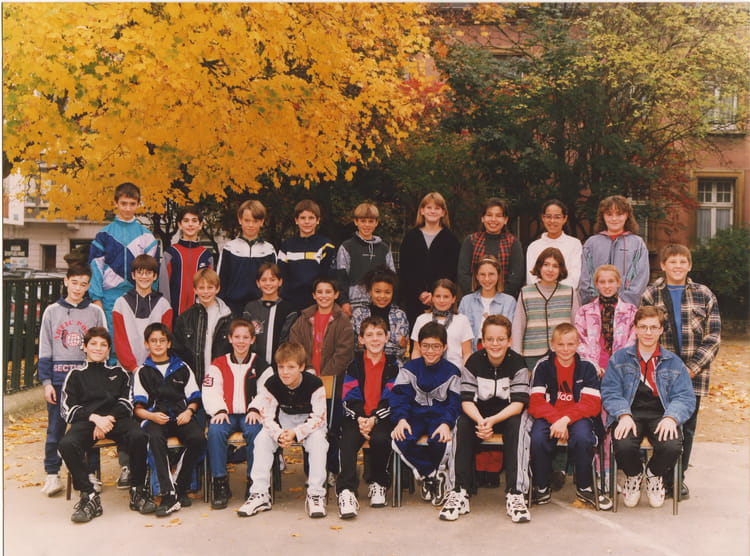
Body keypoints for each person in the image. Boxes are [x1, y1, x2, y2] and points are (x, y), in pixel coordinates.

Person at [640, 244, 720, 499]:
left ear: (689, 265)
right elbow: (644, 334)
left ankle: (677, 479)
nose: (677, 266)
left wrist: (691, 368)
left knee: (687, 428)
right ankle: (658, 476)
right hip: (660, 375)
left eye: (682, 261)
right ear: (663, 265)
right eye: (672, 261)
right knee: (662, 426)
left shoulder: (704, 294)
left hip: (694, 375)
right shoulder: (651, 294)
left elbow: (713, 337)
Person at [601, 306, 696, 509]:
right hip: (630, 411)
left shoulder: (674, 362)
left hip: (661, 413)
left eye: (653, 327)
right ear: (635, 329)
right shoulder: (619, 358)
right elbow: (610, 391)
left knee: (672, 446)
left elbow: (685, 397)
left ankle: (654, 474)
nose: (648, 332)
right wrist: (622, 414)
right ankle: (634, 474)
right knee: (623, 444)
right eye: (643, 327)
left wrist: (671, 417)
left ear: (661, 330)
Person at [439, 315, 531, 523]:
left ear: (509, 341)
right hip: (478, 414)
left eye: (500, 339)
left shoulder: (517, 362)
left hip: (507, 414)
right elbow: (466, 401)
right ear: (483, 341)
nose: (495, 344)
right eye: (490, 339)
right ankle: (459, 491)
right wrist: (482, 421)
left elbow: (518, 405)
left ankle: (516, 493)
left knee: (518, 425)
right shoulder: (474, 362)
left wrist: (492, 421)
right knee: (462, 423)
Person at [58, 328, 156, 522]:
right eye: (93, 344)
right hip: (87, 421)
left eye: (103, 345)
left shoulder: (119, 372)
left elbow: (127, 402)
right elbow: (67, 409)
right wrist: (95, 418)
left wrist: (108, 419)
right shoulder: (75, 375)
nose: (98, 348)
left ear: (108, 350)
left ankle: (138, 491)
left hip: (116, 419)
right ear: (84, 347)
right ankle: (89, 496)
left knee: (139, 436)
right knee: (66, 444)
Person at [38, 262, 107, 497]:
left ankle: (90, 473)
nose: (78, 288)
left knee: (88, 427)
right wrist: (47, 382)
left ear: (88, 286)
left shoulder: (95, 312)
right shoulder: (52, 311)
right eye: (74, 282)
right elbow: (45, 347)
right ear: (66, 281)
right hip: (59, 380)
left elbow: (103, 347)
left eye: (83, 284)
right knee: (55, 428)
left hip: (87, 382)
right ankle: (52, 474)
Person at [238, 342, 329, 518]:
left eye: (291, 367)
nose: (285, 372)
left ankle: (316, 494)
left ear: (301, 367)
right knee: (262, 438)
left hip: (310, 423)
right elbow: (266, 415)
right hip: (284, 422)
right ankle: (260, 493)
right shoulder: (272, 383)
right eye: (281, 367)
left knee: (319, 441)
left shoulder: (314, 383)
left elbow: (319, 417)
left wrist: (297, 433)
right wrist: (279, 434)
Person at [528, 323, 612, 510]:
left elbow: (592, 404)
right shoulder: (542, 366)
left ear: (577, 344)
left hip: (578, 416)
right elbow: (535, 402)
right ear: (552, 345)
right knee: (537, 438)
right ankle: (541, 486)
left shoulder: (587, 367)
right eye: (561, 344)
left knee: (583, 438)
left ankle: (585, 487)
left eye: (570, 344)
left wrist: (565, 420)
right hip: (549, 416)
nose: (565, 349)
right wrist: (557, 420)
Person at [132, 323, 205, 516]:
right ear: (147, 344)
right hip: (155, 417)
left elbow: (195, 397)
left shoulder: (182, 367)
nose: (158, 344)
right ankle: (168, 494)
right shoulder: (142, 371)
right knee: (154, 439)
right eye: (153, 341)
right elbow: (138, 408)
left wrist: (189, 411)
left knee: (198, 439)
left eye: (162, 340)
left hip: (180, 415)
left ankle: (179, 485)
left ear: (169, 343)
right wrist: (151, 415)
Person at [390, 322, 461, 507]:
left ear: (445, 347)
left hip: (439, 417)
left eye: (436, 346)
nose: (430, 351)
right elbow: (399, 398)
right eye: (426, 346)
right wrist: (401, 419)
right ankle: (430, 475)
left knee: (440, 440)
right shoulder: (409, 369)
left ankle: (436, 474)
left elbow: (455, 403)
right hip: (414, 416)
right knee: (399, 439)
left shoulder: (452, 372)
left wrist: (446, 423)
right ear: (419, 346)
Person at [336, 316, 399, 519]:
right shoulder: (353, 365)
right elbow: (348, 396)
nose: (375, 339)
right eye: (369, 335)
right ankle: (346, 491)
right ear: (361, 339)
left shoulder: (394, 366)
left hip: (381, 418)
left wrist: (374, 419)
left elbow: (392, 398)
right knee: (347, 440)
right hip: (357, 418)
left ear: (387, 337)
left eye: (379, 334)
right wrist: (361, 418)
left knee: (381, 438)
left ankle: (378, 482)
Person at [202, 318, 268, 510]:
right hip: (226, 413)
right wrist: (219, 409)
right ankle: (220, 483)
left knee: (256, 432)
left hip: (250, 413)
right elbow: (210, 389)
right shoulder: (218, 364)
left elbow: (267, 392)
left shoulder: (261, 365)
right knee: (215, 431)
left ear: (252, 340)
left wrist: (255, 408)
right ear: (230, 338)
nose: (241, 341)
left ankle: (254, 483)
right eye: (237, 337)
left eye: (245, 337)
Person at [398, 192, 460, 327]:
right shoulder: (411, 237)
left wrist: (435, 293)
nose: (433, 211)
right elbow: (406, 270)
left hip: (442, 299)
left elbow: (451, 270)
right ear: (422, 211)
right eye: (429, 207)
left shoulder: (450, 239)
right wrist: (420, 293)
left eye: (437, 208)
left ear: (443, 212)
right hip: (414, 299)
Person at [512, 247, 579, 371]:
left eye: (555, 266)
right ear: (539, 267)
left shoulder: (570, 292)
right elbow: (518, 326)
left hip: (563, 354)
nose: (550, 270)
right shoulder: (526, 292)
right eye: (546, 264)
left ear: (561, 269)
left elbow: (576, 325)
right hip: (532, 355)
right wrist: (516, 357)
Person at [579, 195, 649, 306]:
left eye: (619, 214)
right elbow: (585, 276)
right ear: (603, 216)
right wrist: (595, 301)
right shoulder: (591, 244)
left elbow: (641, 276)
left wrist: (624, 302)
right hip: (596, 306)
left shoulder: (637, 244)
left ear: (626, 215)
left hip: (627, 307)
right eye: (609, 214)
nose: (614, 219)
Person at [112, 254, 173, 372]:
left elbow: (163, 340)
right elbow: (120, 341)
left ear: (155, 276)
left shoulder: (164, 305)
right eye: (140, 273)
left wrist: (148, 366)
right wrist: (133, 367)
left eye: (149, 273)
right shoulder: (120, 304)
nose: (144, 277)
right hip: (127, 369)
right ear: (133, 275)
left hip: (154, 369)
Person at [172, 268, 233, 386]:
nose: (206, 292)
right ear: (195, 290)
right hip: (193, 383)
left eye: (210, 287)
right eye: (201, 288)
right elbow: (176, 353)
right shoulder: (184, 319)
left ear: (217, 289)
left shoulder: (228, 317)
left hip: (221, 383)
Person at [575, 265, 637, 377]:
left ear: (618, 283)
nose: (607, 286)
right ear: (596, 284)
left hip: (622, 370)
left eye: (611, 281)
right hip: (592, 370)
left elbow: (633, 340)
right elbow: (580, 341)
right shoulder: (584, 312)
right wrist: (593, 367)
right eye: (602, 282)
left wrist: (619, 365)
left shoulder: (631, 311)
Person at [335, 202, 396, 317]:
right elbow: (341, 278)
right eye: (363, 221)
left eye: (371, 221)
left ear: (376, 223)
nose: (367, 225)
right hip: (354, 304)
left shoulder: (384, 248)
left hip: (380, 303)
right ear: (356, 221)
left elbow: (391, 278)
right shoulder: (347, 247)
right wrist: (344, 302)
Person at [457, 197, 524, 300]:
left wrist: (499, 298)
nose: (493, 219)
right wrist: (479, 297)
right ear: (482, 218)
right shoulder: (471, 241)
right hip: (474, 299)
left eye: (498, 216)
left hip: (504, 301)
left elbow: (516, 277)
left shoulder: (513, 243)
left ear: (505, 220)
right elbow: (463, 274)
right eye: (489, 215)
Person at [217, 199, 276, 315]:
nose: (251, 225)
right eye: (247, 220)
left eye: (255, 221)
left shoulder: (269, 249)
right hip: (233, 307)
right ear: (240, 220)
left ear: (262, 222)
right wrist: (221, 307)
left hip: (261, 306)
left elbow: (275, 281)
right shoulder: (229, 248)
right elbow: (221, 280)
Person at [288, 277, 355, 378]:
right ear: (314, 295)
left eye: (328, 292)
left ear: (336, 294)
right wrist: (308, 370)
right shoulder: (303, 318)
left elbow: (344, 353)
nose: (324, 296)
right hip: (306, 376)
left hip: (332, 378)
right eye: (319, 292)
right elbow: (295, 345)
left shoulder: (343, 320)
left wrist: (325, 377)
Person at [277, 199, 337, 312]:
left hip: (317, 303)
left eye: (311, 218)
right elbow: (282, 275)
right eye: (303, 218)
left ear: (318, 220)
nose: (307, 222)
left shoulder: (326, 245)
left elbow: (329, 277)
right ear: (296, 220)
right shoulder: (287, 246)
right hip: (291, 303)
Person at [159, 205, 214, 326]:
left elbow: (211, 287)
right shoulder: (171, 253)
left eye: (194, 221)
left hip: (199, 316)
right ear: (179, 224)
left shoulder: (206, 256)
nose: (190, 224)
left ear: (200, 225)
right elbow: (163, 287)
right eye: (186, 220)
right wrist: (166, 313)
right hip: (174, 315)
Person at [242, 263, 298, 368]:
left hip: (280, 366)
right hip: (254, 366)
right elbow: (246, 337)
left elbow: (286, 341)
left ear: (280, 282)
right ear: (258, 283)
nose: (268, 283)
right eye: (263, 280)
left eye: (272, 280)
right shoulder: (250, 308)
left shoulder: (289, 310)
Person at [350, 266, 410, 362]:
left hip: (393, 364)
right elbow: (357, 345)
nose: (382, 296)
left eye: (387, 292)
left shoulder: (400, 315)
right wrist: (394, 338)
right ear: (370, 291)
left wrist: (370, 338)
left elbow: (401, 347)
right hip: (364, 363)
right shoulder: (359, 314)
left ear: (393, 293)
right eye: (377, 291)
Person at [410, 279, 473, 370]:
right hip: (426, 372)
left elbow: (467, 353)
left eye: (446, 297)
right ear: (432, 298)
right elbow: (416, 351)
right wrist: (417, 372)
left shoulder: (462, 320)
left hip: (456, 373)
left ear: (453, 299)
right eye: (438, 296)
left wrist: (464, 375)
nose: (441, 300)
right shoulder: (422, 319)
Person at [458, 255, 516, 351]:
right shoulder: (466, 301)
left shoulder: (509, 302)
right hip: (472, 353)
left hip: (500, 352)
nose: (487, 279)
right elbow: (460, 333)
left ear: (498, 275)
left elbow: (511, 333)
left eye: (491, 274)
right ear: (477, 276)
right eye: (482, 274)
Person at [526, 199, 582, 289]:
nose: (552, 221)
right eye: (548, 216)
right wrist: (545, 293)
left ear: (564, 219)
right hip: (539, 295)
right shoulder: (534, 247)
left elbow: (574, 276)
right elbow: (531, 278)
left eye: (557, 217)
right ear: (543, 218)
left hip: (567, 294)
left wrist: (558, 293)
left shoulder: (574, 244)